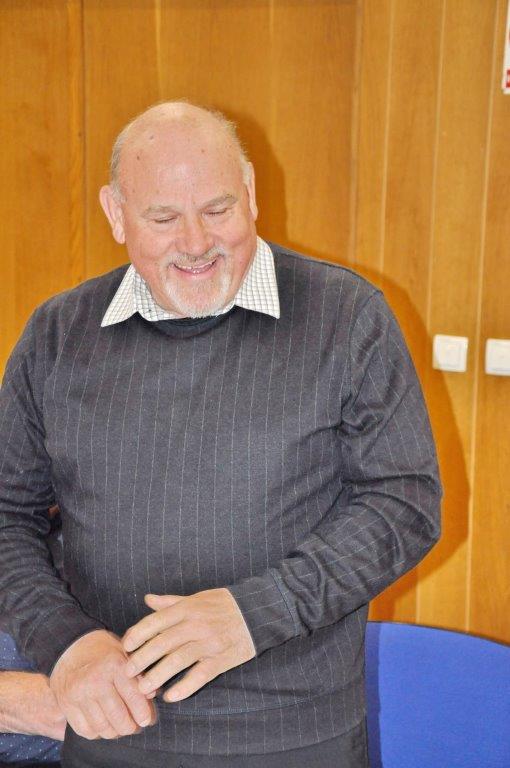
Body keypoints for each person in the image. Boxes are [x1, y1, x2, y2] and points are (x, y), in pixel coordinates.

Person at [0, 101, 441, 768]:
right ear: (116, 214)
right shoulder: (58, 336)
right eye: (163, 219)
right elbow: (8, 514)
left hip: (295, 737)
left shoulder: (346, 317)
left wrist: (254, 613)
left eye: (217, 209)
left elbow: (404, 504)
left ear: (252, 193)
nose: (197, 242)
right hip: (111, 730)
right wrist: (65, 645)